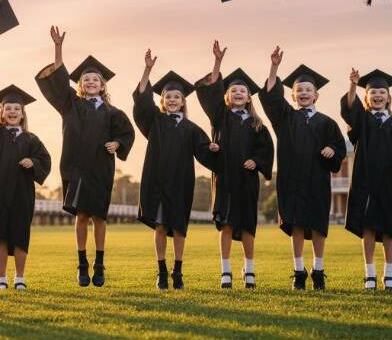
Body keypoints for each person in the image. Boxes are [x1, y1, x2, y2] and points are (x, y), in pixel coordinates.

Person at [35, 26, 135, 287]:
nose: (90, 82)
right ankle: (82, 264)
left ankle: (99, 264)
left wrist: (117, 143)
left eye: (95, 80)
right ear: (79, 85)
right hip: (76, 168)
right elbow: (58, 79)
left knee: (100, 217)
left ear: (103, 86)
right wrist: (58, 49)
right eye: (86, 80)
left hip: (101, 168)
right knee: (81, 217)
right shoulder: (71, 105)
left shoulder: (114, 113)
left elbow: (126, 133)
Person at [260, 47, 346, 290]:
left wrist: (332, 150)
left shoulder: (327, 123)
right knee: (296, 224)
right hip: (292, 181)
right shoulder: (285, 118)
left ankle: (318, 270)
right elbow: (271, 98)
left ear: (316, 95)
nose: (304, 94)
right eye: (299, 91)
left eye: (308, 90)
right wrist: (274, 67)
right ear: (293, 96)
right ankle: (299, 271)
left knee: (318, 226)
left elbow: (339, 148)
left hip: (317, 180)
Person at [133, 49, 218, 290]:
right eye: (168, 97)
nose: (172, 100)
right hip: (157, 182)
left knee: (179, 229)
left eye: (176, 97)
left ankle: (177, 271)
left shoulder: (191, 128)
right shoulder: (154, 122)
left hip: (181, 183)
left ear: (183, 102)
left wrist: (212, 148)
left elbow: (203, 150)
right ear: (162, 101)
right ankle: (161, 271)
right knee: (160, 226)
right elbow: (141, 101)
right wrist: (147, 70)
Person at [195, 40, 273, 289]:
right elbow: (210, 92)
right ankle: (225, 270)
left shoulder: (257, 124)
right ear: (227, 96)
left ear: (249, 97)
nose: (238, 94)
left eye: (242, 91)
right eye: (234, 91)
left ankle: (249, 269)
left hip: (247, 181)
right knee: (226, 224)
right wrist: (217, 63)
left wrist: (257, 161)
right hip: (226, 179)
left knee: (248, 226)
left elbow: (266, 149)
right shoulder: (220, 117)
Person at [0, 73, 51, 290]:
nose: (12, 112)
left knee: (19, 236)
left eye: (17, 109)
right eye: (8, 108)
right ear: (2, 112)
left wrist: (33, 162)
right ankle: (1, 279)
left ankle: (20, 279)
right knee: (0, 237)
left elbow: (45, 160)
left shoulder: (31, 139)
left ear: (23, 114)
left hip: (21, 195)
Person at [341, 68, 392, 291]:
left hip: (389, 183)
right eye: (373, 92)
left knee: (388, 229)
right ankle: (370, 273)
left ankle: (389, 274)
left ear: (388, 97)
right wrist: (353, 85)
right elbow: (349, 109)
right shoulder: (361, 121)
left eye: (381, 92)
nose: (377, 96)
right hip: (365, 182)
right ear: (366, 97)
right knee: (368, 229)